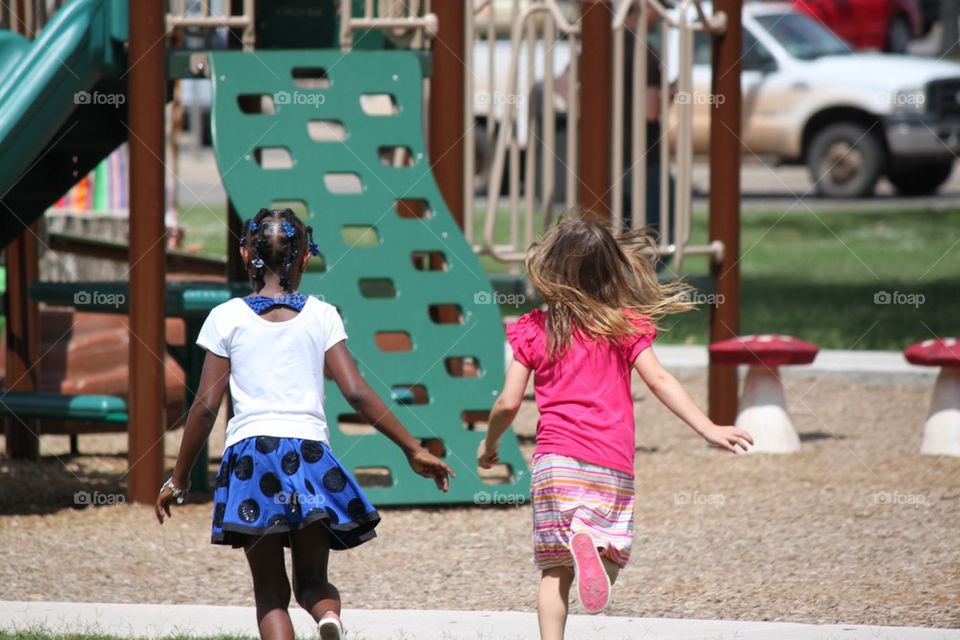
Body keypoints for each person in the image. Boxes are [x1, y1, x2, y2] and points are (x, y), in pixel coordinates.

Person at [156, 208, 453, 640]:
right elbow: (357, 392)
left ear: (244, 255)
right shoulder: (322, 315)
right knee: (311, 581)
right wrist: (412, 448)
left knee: (271, 595)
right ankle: (328, 618)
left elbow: (204, 407)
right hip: (309, 455)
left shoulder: (226, 317)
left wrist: (179, 477)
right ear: (304, 260)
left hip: (251, 460)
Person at [478, 218, 752, 640]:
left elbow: (509, 402)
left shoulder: (534, 328)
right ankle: (594, 547)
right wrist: (708, 427)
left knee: (554, 569)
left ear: (550, 270)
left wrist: (490, 443)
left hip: (555, 463)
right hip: (611, 463)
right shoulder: (623, 324)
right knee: (613, 555)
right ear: (610, 269)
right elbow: (660, 381)